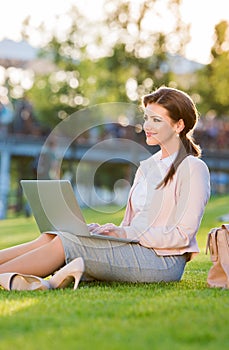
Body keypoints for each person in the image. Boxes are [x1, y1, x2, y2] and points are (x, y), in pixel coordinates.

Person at [0, 86, 210, 291]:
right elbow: (134, 224)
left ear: (178, 125)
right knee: (54, 235)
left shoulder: (193, 168)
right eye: (146, 118)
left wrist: (126, 234)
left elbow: (183, 234)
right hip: (135, 249)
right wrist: (108, 232)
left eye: (156, 120)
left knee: (66, 243)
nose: (147, 125)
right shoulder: (148, 166)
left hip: (163, 261)